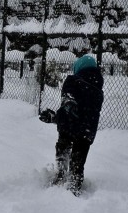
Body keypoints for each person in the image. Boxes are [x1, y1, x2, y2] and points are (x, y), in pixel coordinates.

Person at [39, 55, 104, 196]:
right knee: (78, 160)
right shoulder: (99, 91)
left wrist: (55, 117)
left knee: (63, 147)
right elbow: (84, 113)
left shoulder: (72, 81)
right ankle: (75, 183)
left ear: (78, 68)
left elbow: (69, 105)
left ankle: (61, 174)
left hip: (69, 126)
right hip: (87, 131)